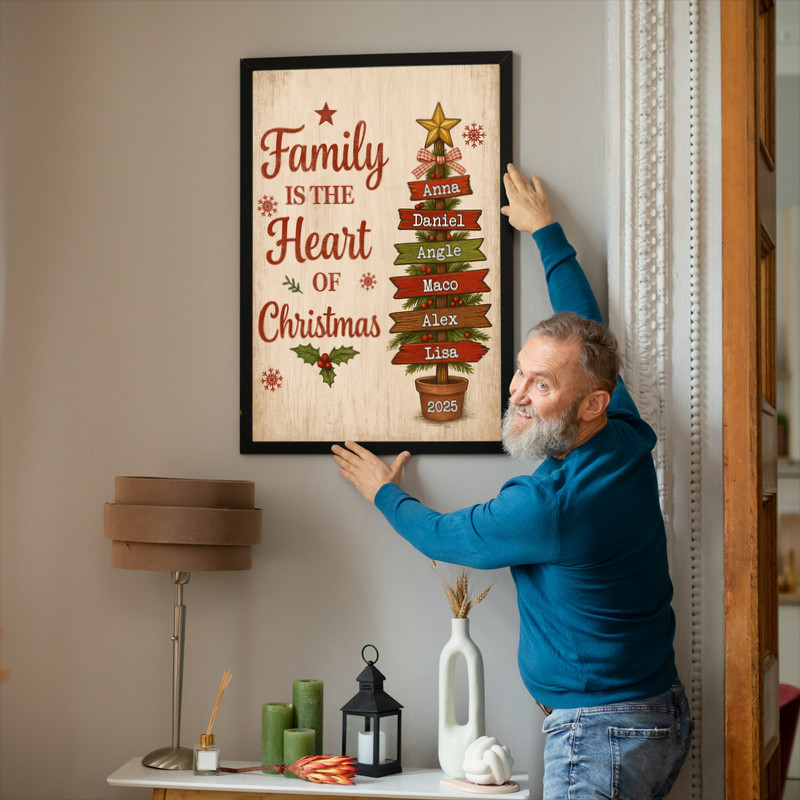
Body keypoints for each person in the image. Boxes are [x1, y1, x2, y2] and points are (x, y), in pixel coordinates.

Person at [332, 164, 692, 799]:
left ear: (590, 405)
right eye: (521, 373)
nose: (517, 394)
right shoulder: (625, 437)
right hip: (651, 716)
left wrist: (382, 490)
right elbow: (584, 329)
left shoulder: (549, 506)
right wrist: (546, 232)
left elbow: (448, 537)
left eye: (541, 386)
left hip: (601, 737)